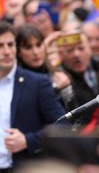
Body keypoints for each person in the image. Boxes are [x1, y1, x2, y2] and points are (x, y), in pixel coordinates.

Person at [0, 21, 68, 171]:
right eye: (0, 46)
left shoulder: (37, 82)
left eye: (10, 45)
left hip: (23, 167)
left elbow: (62, 125)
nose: (6, 51)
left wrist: (28, 140)